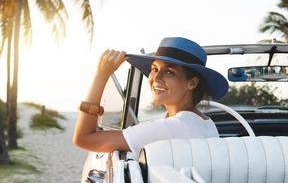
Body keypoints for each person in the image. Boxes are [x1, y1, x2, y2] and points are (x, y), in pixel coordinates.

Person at [73, 37, 229, 159]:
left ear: (192, 83)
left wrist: (102, 74)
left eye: (169, 72)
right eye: (154, 69)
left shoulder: (173, 127)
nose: (156, 78)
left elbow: (84, 138)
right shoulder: (205, 123)